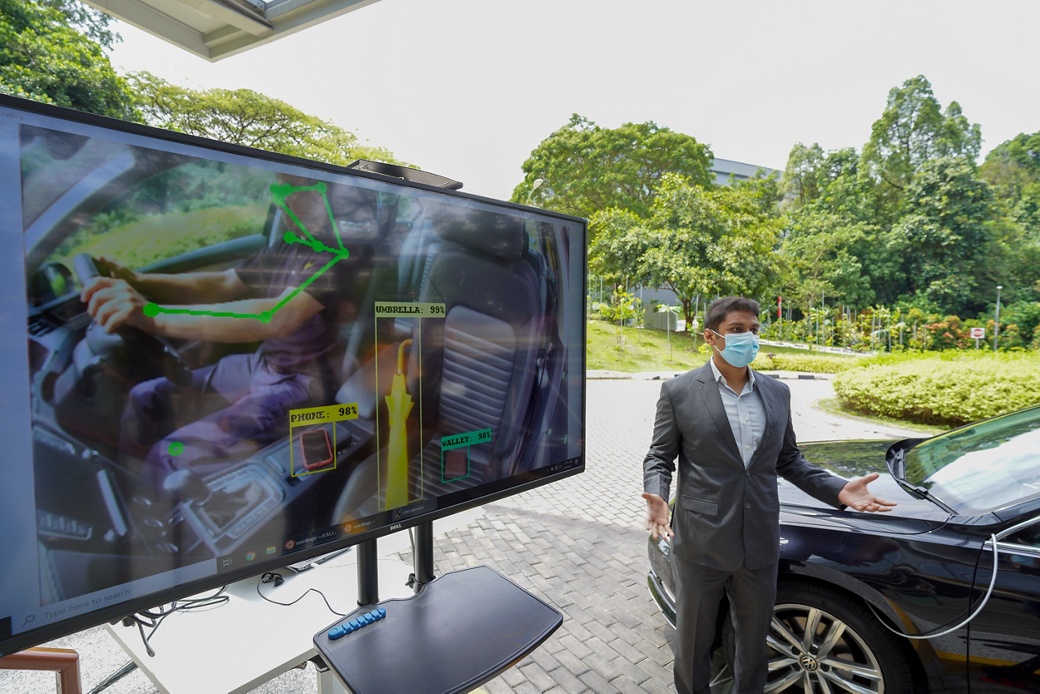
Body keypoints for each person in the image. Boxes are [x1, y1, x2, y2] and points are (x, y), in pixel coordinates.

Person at [641, 296, 895, 694]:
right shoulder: (680, 391)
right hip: (701, 542)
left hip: (759, 542)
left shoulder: (777, 393)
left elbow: (789, 459)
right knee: (694, 646)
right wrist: (656, 493)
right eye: (737, 330)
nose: (749, 337)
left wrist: (839, 489)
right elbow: (659, 456)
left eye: (754, 330)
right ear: (712, 337)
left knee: (754, 647)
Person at [80, 177, 365, 481]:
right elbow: (222, 282)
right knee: (143, 398)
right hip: (262, 365)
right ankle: (130, 487)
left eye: (291, 190)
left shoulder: (344, 255)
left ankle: (153, 517)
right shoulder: (289, 246)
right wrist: (137, 280)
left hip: (306, 383)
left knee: (168, 455)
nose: (281, 201)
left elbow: (276, 317)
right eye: (280, 190)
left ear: (323, 195)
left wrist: (151, 315)